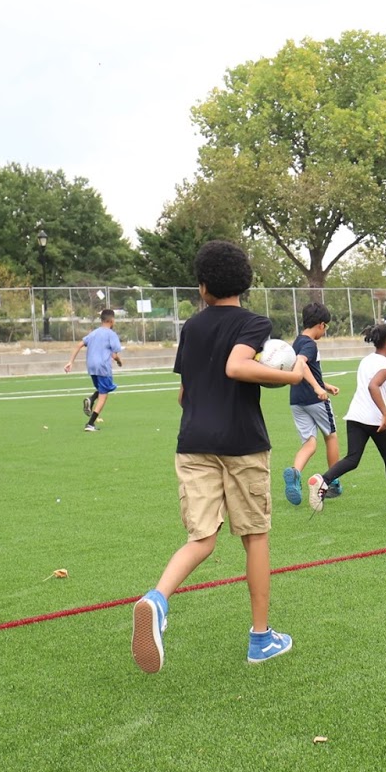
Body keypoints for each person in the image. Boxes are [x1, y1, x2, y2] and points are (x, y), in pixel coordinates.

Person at [130, 240, 314, 673]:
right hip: (241, 443)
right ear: (245, 284)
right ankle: (261, 638)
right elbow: (237, 367)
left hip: (193, 442)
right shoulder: (253, 323)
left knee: (201, 539)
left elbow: (184, 394)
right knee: (254, 536)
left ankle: (156, 599)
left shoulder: (191, 328)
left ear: (202, 286)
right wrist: (287, 376)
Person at [307, 322, 386, 511]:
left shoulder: (367, 360)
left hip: (355, 416)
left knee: (352, 459)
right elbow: (373, 387)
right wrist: (385, 414)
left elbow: (372, 387)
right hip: (374, 419)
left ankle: (323, 479)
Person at [283, 303, 342, 506]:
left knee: (309, 442)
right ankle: (333, 481)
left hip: (296, 400)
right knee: (331, 436)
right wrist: (318, 389)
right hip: (314, 399)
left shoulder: (296, 342)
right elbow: (301, 364)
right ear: (321, 325)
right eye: (325, 328)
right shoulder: (309, 344)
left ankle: (295, 472)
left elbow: (301, 369)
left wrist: (325, 384)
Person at [65, 308, 123, 432]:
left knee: (103, 388)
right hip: (103, 366)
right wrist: (119, 361)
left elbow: (79, 345)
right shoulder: (111, 334)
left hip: (91, 366)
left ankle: (91, 399)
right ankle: (90, 423)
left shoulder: (94, 333)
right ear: (112, 320)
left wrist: (70, 362)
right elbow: (114, 354)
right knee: (104, 395)